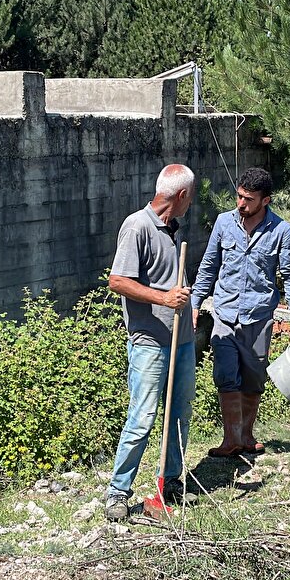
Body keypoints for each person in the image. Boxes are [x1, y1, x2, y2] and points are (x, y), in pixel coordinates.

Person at [104, 163, 197, 521]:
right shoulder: (138, 226)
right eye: (191, 197)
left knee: (179, 415)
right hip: (149, 342)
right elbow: (117, 281)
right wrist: (163, 299)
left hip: (182, 341)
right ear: (182, 195)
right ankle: (118, 493)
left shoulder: (174, 228)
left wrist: (187, 305)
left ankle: (170, 481)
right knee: (142, 418)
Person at [191, 167, 290, 458]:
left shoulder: (282, 231)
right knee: (226, 375)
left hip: (258, 317)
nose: (241, 204)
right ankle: (231, 439)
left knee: (254, 378)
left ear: (265, 200)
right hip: (225, 313)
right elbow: (208, 266)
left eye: (248, 199)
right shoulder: (223, 223)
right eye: (239, 196)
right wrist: (194, 304)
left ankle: (247, 435)